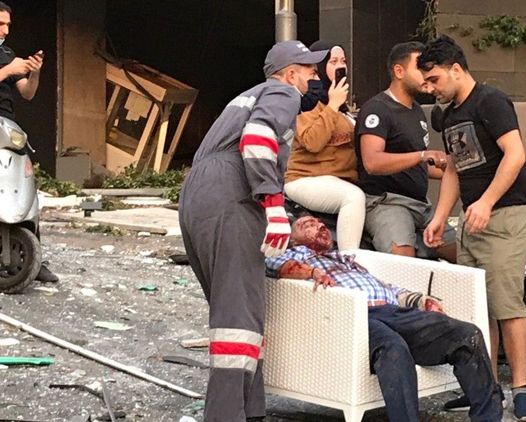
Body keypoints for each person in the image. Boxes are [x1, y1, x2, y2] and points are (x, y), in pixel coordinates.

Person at [178, 40, 326, 422]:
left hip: (200, 194)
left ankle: (250, 410)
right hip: (233, 194)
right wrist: (273, 206)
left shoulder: (247, 97)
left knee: (237, 307)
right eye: (309, 69)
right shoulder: (283, 93)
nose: (314, 76)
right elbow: (258, 139)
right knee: (238, 319)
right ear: (289, 74)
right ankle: (226, 414)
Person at [265, 215, 503, 422]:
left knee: (466, 334)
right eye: (307, 225)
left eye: (319, 223)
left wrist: (421, 300)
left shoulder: (346, 261)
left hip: (394, 312)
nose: (318, 226)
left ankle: (488, 418)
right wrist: (312, 272)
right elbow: (276, 267)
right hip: (353, 317)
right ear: (293, 240)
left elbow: (387, 288)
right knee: (393, 348)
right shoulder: (293, 254)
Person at [418, 35, 526, 421]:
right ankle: (487, 389)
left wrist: (486, 201)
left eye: (434, 79)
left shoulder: (491, 101)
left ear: (456, 69)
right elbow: (454, 168)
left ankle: (521, 388)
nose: (431, 88)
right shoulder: (450, 115)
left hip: (507, 214)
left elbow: (515, 155)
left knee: (506, 302)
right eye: (427, 82)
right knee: (478, 305)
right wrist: (440, 217)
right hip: (472, 219)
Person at [354, 41, 456, 262]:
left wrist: (456, 170)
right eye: (419, 68)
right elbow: (372, 162)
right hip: (387, 203)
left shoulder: (416, 110)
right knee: (403, 260)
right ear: (399, 71)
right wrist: (422, 155)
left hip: (422, 206)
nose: (426, 74)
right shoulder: (377, 109)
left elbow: (416, 166)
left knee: (465, 253)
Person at [285, 41, 366, 251]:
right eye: (333, 62)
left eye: (343, 61)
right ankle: (349, 259)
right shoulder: (306, 102)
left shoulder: (344, 108)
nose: (340, 66)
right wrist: (332, 105)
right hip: (306, 178)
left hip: (338, 179)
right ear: (319, 67)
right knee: (353, 198)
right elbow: (313, 142)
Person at [0, 1, 57, 283]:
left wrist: (34, 71)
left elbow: (28, 93)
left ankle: (33, 255)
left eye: (7, 25)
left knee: (23, 177)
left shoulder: (6, 54)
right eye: (0, 24)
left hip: (7, 125)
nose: (5, 30)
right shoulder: (8, 62)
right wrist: (8, 70)